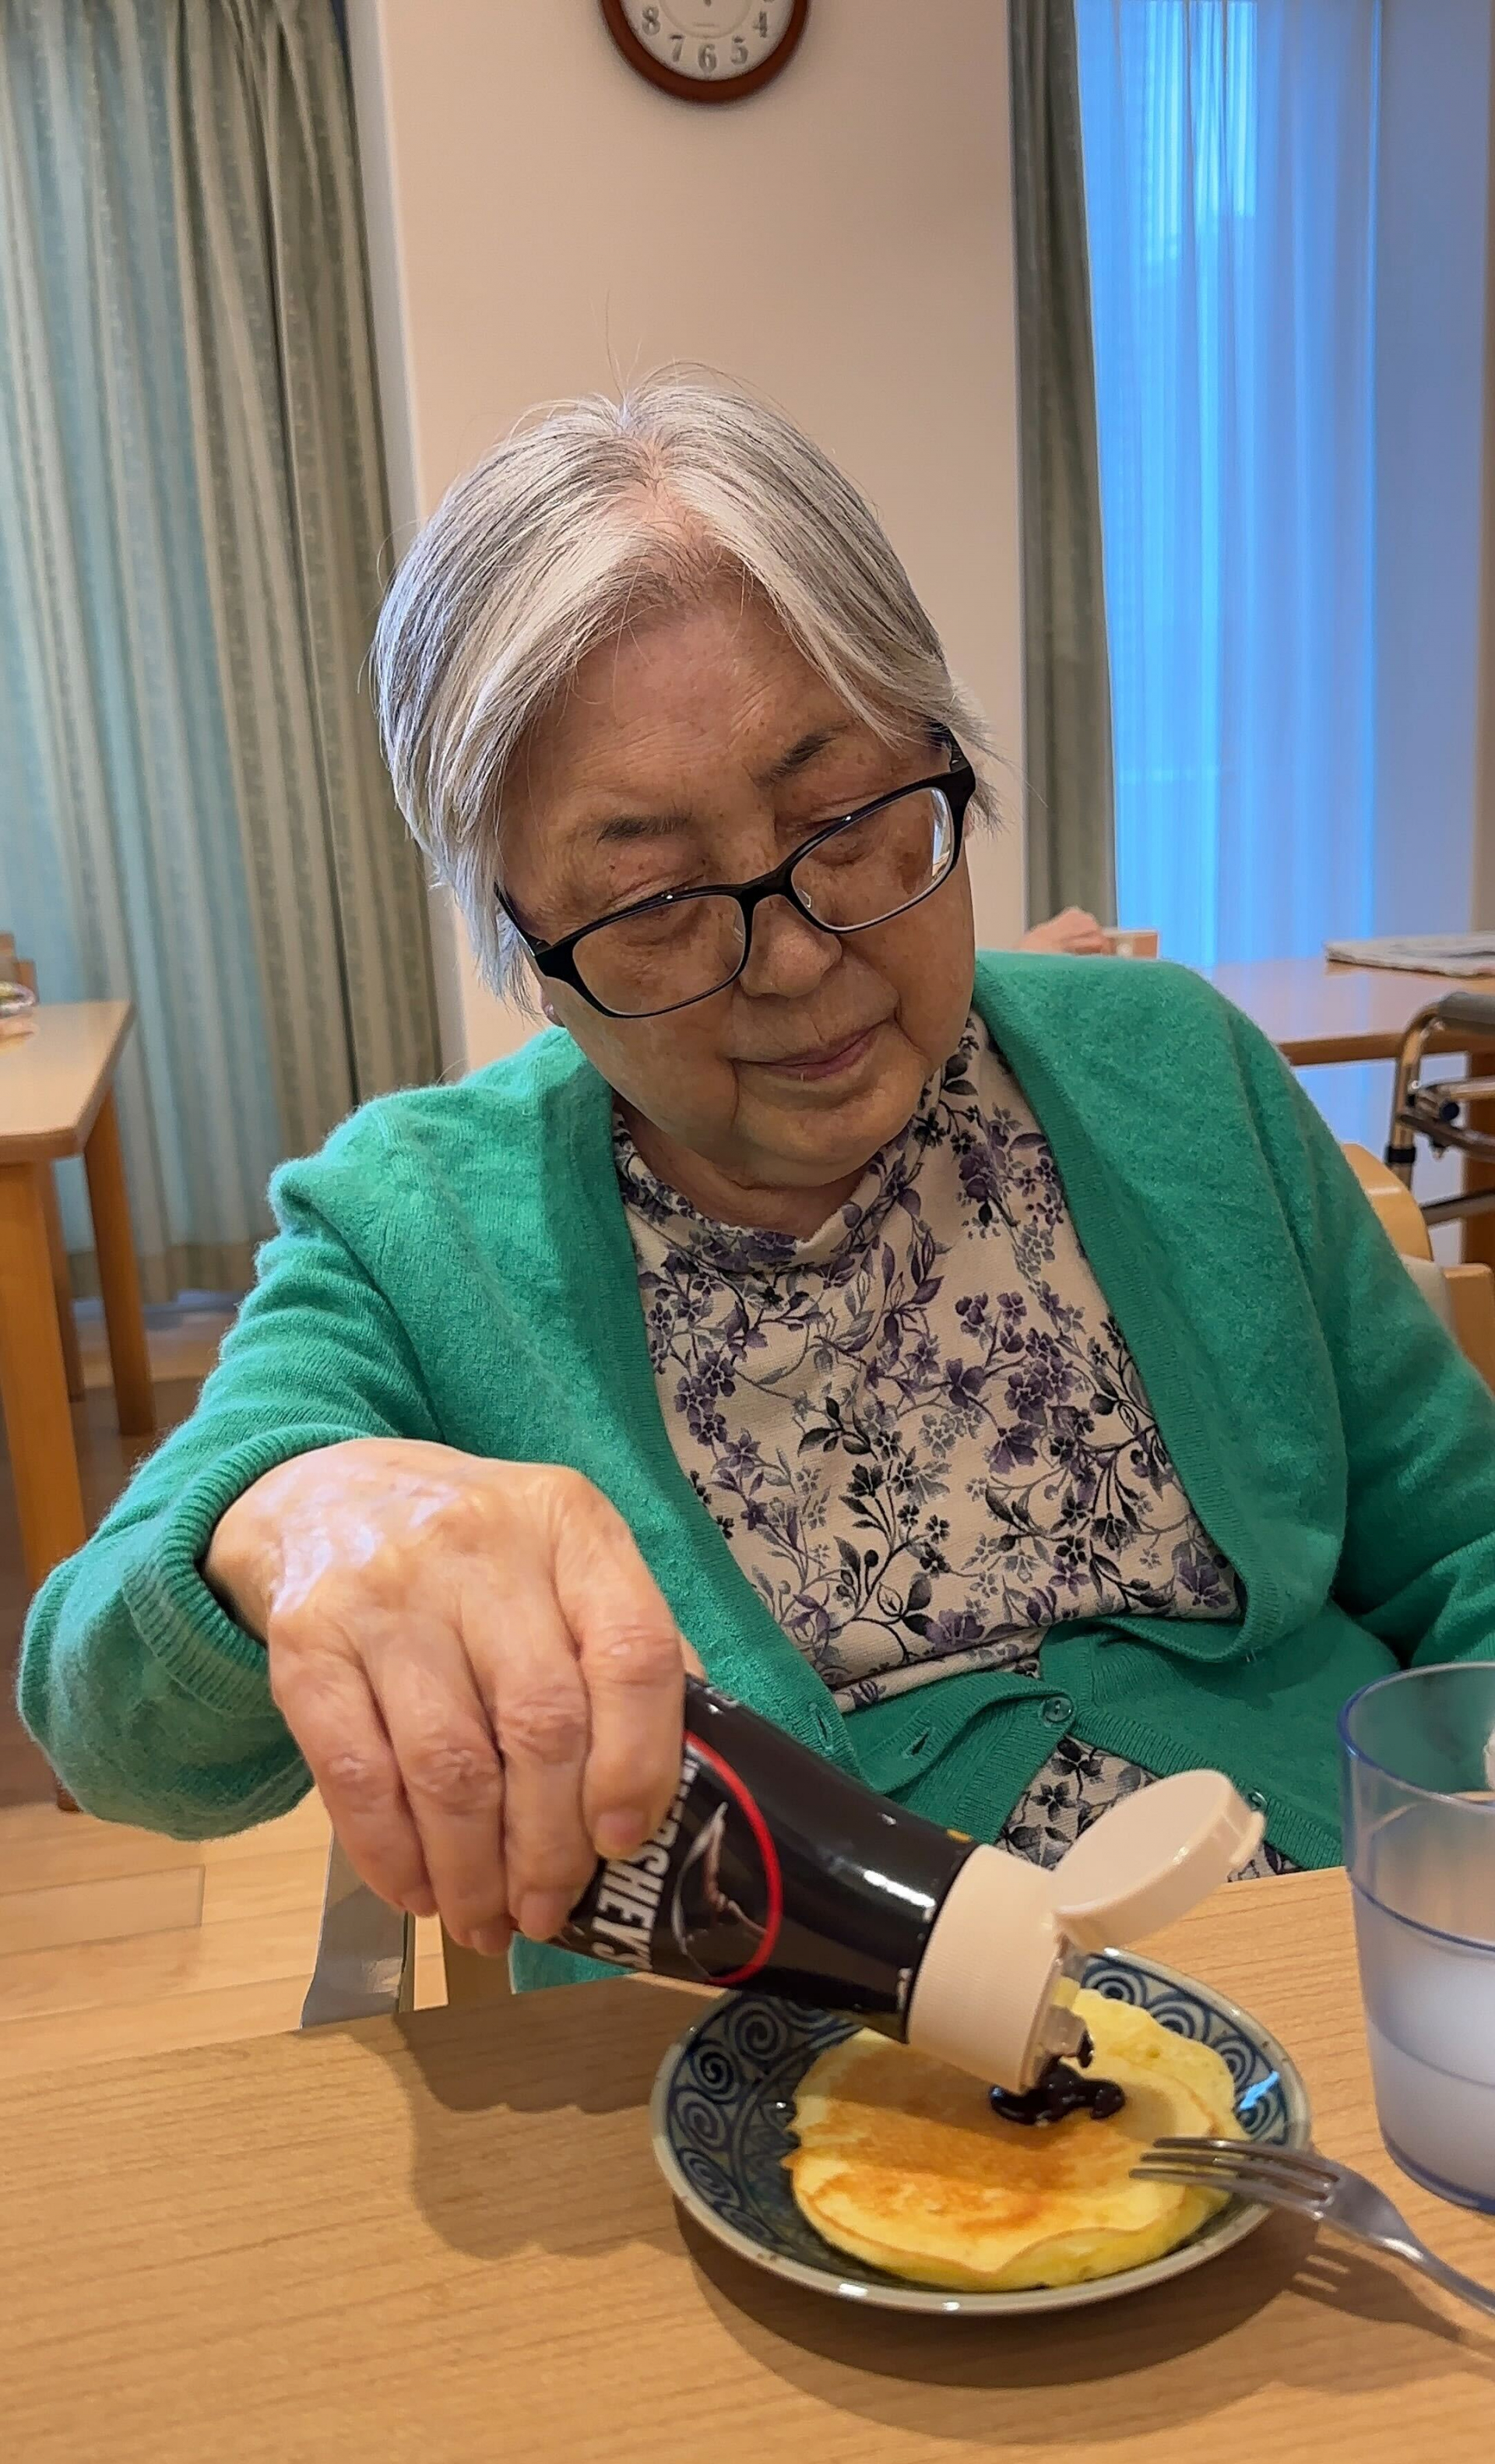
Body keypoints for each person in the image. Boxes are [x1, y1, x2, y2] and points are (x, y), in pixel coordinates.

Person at [22, 370, 1495, 1990]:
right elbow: (107, 1721)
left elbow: (1464, 1548)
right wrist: (291, 1521)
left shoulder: (1174, 1069)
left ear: (943, 752)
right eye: (656, 901)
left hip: (1340, 1974)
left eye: (849, 822)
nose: (795, 959)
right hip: (769, 2074)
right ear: (525, 946)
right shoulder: (414, 1229)